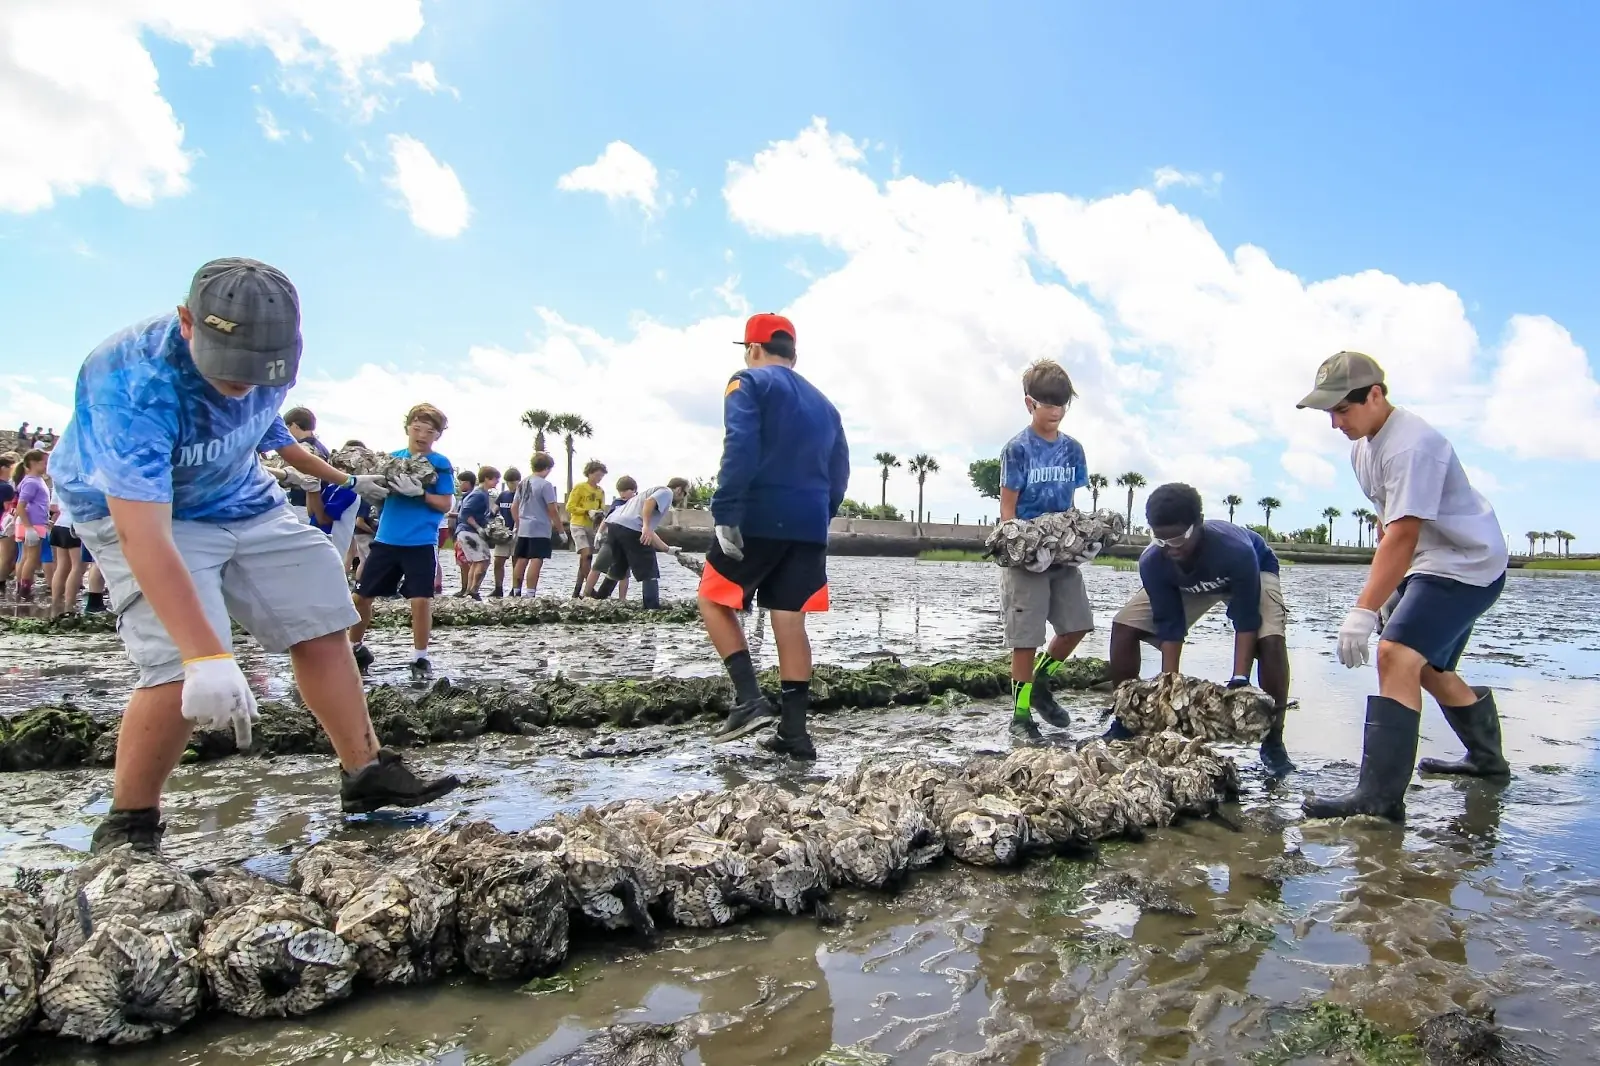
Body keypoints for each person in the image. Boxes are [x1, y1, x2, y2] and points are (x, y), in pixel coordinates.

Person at [48, 257, 456, 853]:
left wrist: (340, 477)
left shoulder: (274, 363)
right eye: (228, 369)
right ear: (187, 323)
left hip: (240, 494)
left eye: (258, 372)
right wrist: (207, 656)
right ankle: (130, 820)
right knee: (176, 663)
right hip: (142, 511)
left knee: (322, 609)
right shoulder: (132, 383)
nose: (243, 385)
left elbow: (275, 438)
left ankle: (365, 774)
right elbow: (146, 536)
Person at [1295, 351, 1510, 822]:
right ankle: (1488, 761)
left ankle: (1380, 797)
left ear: (1376, 394)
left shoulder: (1412, 445)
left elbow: (1405, 532)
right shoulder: (1363, 447)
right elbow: (1387, 523)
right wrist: (1394, 588)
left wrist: (1364, 609)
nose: (1335, 423)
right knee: (1427, 668)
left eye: (1343, 410)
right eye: (1329, 412)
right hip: (1427, 564)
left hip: (1466, 562)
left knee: (1394, 654)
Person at [702, 313, 849, 758]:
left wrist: (726, 511)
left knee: (713, 598)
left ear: (752, 349)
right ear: (794, 355)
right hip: (808, 526)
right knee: (790, 621)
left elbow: (740, 446)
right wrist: (820, 516)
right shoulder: (826, 405)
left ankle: (748, 699)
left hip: (759, 516)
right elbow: (839, 473)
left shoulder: (747, 382)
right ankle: (794, 734)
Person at [1102, 483, 1294, 777]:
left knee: (1269, 640)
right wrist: (1169, 688)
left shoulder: (1237, 550)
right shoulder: (1155, 560)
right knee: (1124, 625)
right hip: (1189, 581)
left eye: (1178, 537)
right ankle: (1125, 718)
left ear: (1198, 524)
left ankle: (1273, 740)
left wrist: (1239, 679)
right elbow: (1170, 623)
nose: (1171, 546)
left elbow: (1245, 618)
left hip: (1251, 570)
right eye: (1161, 538)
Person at [996, 360, 1099, 744]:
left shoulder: (1073, 450)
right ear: (1029, 404)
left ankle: (1040, 681)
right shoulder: (1017, 449)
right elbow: (1008, 508)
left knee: (1077, 625)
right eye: (1047, 404)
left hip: (1061, 553)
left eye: (1062, 405)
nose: (1055, 411)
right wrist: (1014, 540)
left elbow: (1070, 500)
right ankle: (1020, 716)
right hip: (1025, 557)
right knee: (1026, 638)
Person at [350, 403, 456, 682]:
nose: (422, 434)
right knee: (361, 597)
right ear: (408, 428)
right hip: (386, 539)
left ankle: (420, 657)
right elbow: (379, 495)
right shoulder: (392, 459)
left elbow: (445, 503)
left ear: (437, 435)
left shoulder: (441, 463)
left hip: (421, 542)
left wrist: (421, 493)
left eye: (429, 430)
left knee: (420, 600)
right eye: (417, 428)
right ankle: (355, 648)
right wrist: (372, 493)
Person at [591, 477, 689, 609]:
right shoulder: (667, 492)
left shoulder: (646, 495)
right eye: (685, 493)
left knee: (618, 568)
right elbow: (649, 504)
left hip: (615, 525)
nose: (684, 497)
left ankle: (598, 602)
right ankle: (652, 608)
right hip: (631, 529)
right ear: (678, 489)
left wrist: (667, 549)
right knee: (650, 571)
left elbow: (645, 528)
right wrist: (646, 527)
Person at [511, 453, 564, 597]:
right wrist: (561, 531)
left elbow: (514, 507)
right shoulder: (545, 485)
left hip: (524, 526)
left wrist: (518, 523)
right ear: (547, 468)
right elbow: (552, 509)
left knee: (521, 558)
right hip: (539, 527)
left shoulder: (523, 483)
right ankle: (530, 592)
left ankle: (516, 591)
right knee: (536, 559)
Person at [584, 477, 636, 600]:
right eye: (620, 491)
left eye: (625, 491)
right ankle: (586, 593)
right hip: (612, 539)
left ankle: (622, 598)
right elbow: (608, 518)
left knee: (624, 573)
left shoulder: (637, 503)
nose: (622, 494)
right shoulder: (617, 503)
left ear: (633, 490)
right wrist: (599, 533)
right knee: (597, 566)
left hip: (627, 542)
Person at [11, 449, 50, 602]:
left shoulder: (32, 480)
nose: (47, 466)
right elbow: (21, 506)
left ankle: (20, 588)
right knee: (31, 558)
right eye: (44, 462)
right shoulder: (32, 481)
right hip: (32, 524)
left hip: (32, 522)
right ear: (33, 463)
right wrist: (29, 528)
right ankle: (25, 589)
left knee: (25, 557)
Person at [566, 460, 607, 599]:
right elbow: (569, 507)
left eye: (601, 476)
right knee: (586, 554)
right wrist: (586, 511)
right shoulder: (580, 487)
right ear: (589, 474)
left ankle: (577, 591)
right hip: (578, 524)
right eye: (597, 475)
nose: (599, 478)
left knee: (586, 559)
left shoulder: (601, 491)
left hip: (592, 527)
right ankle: (590, 589)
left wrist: (599, 514)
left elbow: (602, 507)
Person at [455, 466, 498, 599]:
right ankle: (474, 591)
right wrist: (478, 528)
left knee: (476, 561)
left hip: (464, 531)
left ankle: (470, 590)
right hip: (469, 531)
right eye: (495, 479)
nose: (497, 482)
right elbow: (465, 512)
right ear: (486, 478)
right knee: (483, 560)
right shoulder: (479, 494)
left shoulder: (480, 493)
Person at [49, 481, 88, 617]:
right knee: (77, 567)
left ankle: (55, 603)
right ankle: (69, 605)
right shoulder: (81, 481)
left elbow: (53, 506)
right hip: (74, 526)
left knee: (62, 566)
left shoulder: (58, 480)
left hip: (59, 525)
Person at [490, 466, 520, 597]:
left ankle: (515, 589)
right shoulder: (503, 495)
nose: (512, 485)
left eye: (514, 482)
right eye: (509, 482)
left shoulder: (522, 496)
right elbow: (494, 510)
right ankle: (498, 587)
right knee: (498, 561)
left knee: (516, 562)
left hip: (518, 532)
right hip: (503, 533)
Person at [0, 453, 16, 596]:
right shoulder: (6, 487)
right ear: (3, 468)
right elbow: (8, 508)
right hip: (3, 526)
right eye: (10, 467)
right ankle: (1, 584)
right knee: (6, 557)